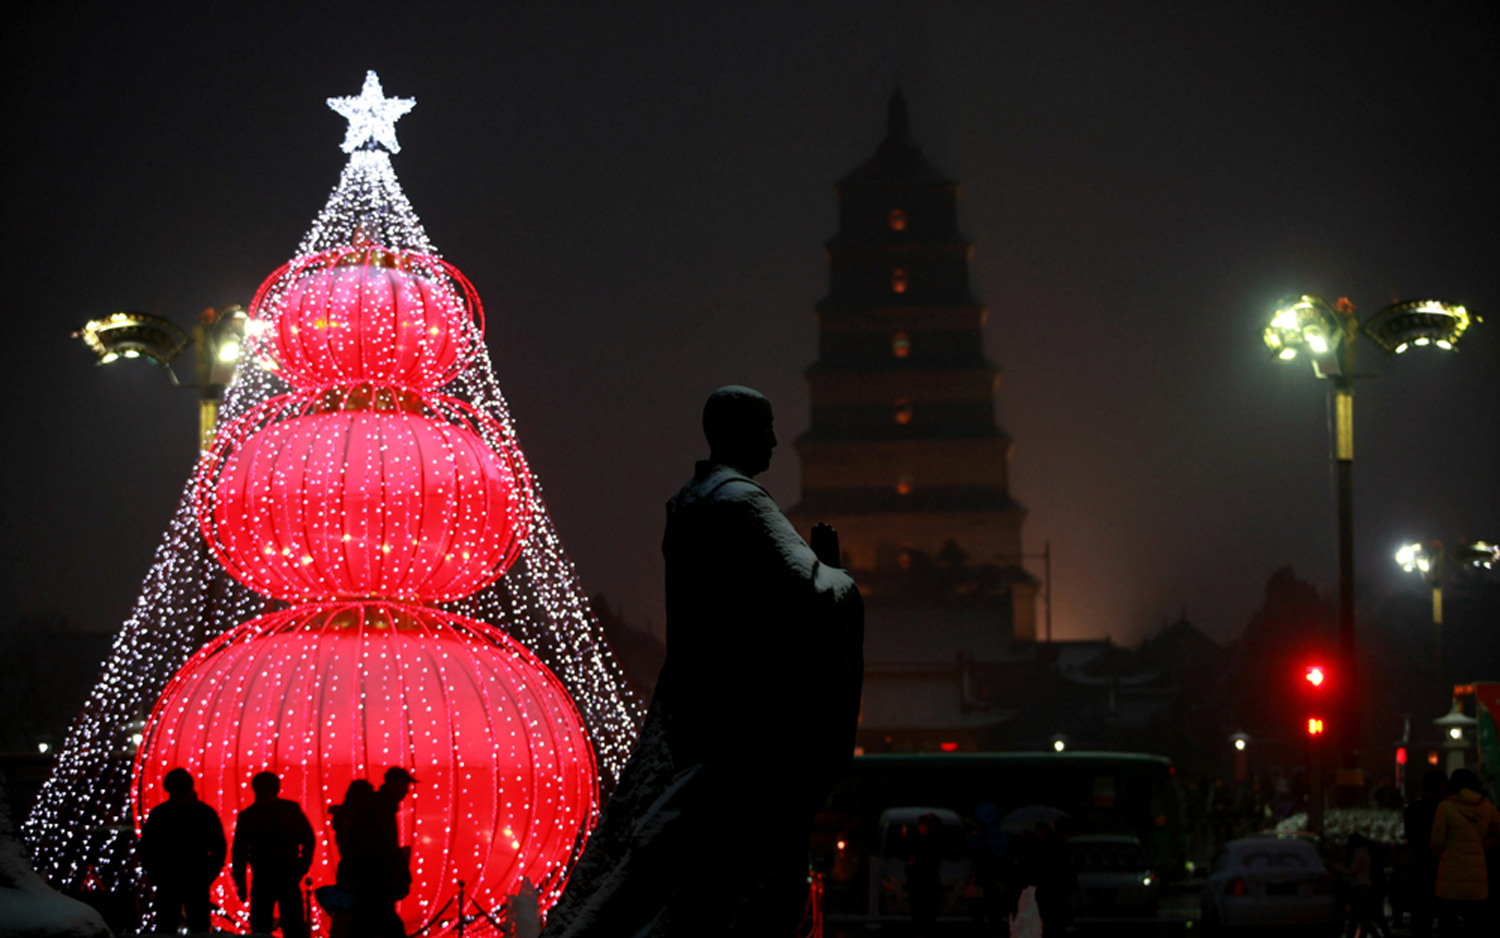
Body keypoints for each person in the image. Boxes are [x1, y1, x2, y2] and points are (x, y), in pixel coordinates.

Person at [541, 386, 865, 937]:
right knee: (730, 865)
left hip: (687, 700)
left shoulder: (688, 501)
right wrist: (835, 571)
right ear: (739, 433)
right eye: (764, 429)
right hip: (738, 716)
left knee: (653, 848)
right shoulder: (743, 503)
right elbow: (812, 592)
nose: (773, 441)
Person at [138, 767, 227, 934]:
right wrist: (207, 874)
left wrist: (155, 874)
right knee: (194, 926)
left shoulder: (161, 814)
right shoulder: (203, 813)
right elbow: (219, 848)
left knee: (170, 926)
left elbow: (147, 848)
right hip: (189, 878)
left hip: (174, 878)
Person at [232, 771, 316, 938]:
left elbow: (239, 853)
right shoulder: (290, 810)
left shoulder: (248, 816)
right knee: (293, 926)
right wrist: (300, 868)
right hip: (287, 875)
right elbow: (309, 840)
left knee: (261, 927)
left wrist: (240, 884)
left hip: (264, 877)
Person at [342, 768, 417, 938]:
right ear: (395, 784)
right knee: (386, 926)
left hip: (371, 880)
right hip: (377, 881)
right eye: (406, 785)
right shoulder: (382, 807)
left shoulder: (379, 805)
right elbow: (380, 847)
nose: (407, 790)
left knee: (365, 925)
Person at [1431, 768, 1498, 937]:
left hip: (1450, 882)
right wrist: (1487, 842)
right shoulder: (1487, 806)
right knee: (1473, 927)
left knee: (1448, 927)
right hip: (1477, 883)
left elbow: (1437, 843)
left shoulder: (1445, 807)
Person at [1405, 769, 1448, 936]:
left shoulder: (1412, 810)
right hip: (1444, 870)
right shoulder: (1447, 810)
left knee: (1421, 921)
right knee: (1446, 919)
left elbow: (1412, 839)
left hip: (1420, 869)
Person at [906, 814, 945, 934]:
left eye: (921, 824)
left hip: (923, 886)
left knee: (922, 918)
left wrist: (912, 865)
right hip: (927, 885)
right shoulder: (933, 842)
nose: (918, 827)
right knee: (926, 919)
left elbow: (919, 865)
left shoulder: (926, 843)